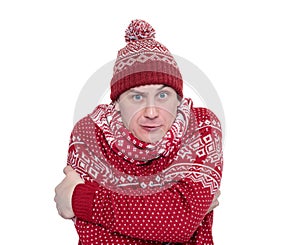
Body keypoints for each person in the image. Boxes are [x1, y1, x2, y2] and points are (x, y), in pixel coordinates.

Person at [54, 19, 223, 245]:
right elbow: (94, 237)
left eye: (163, 95)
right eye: (136, 97)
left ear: (178, 100)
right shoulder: (90, 134)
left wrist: (78, 199)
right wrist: (176, 212)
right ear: (116, 103)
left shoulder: (201, 125)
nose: (151, 111)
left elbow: (179, 223)